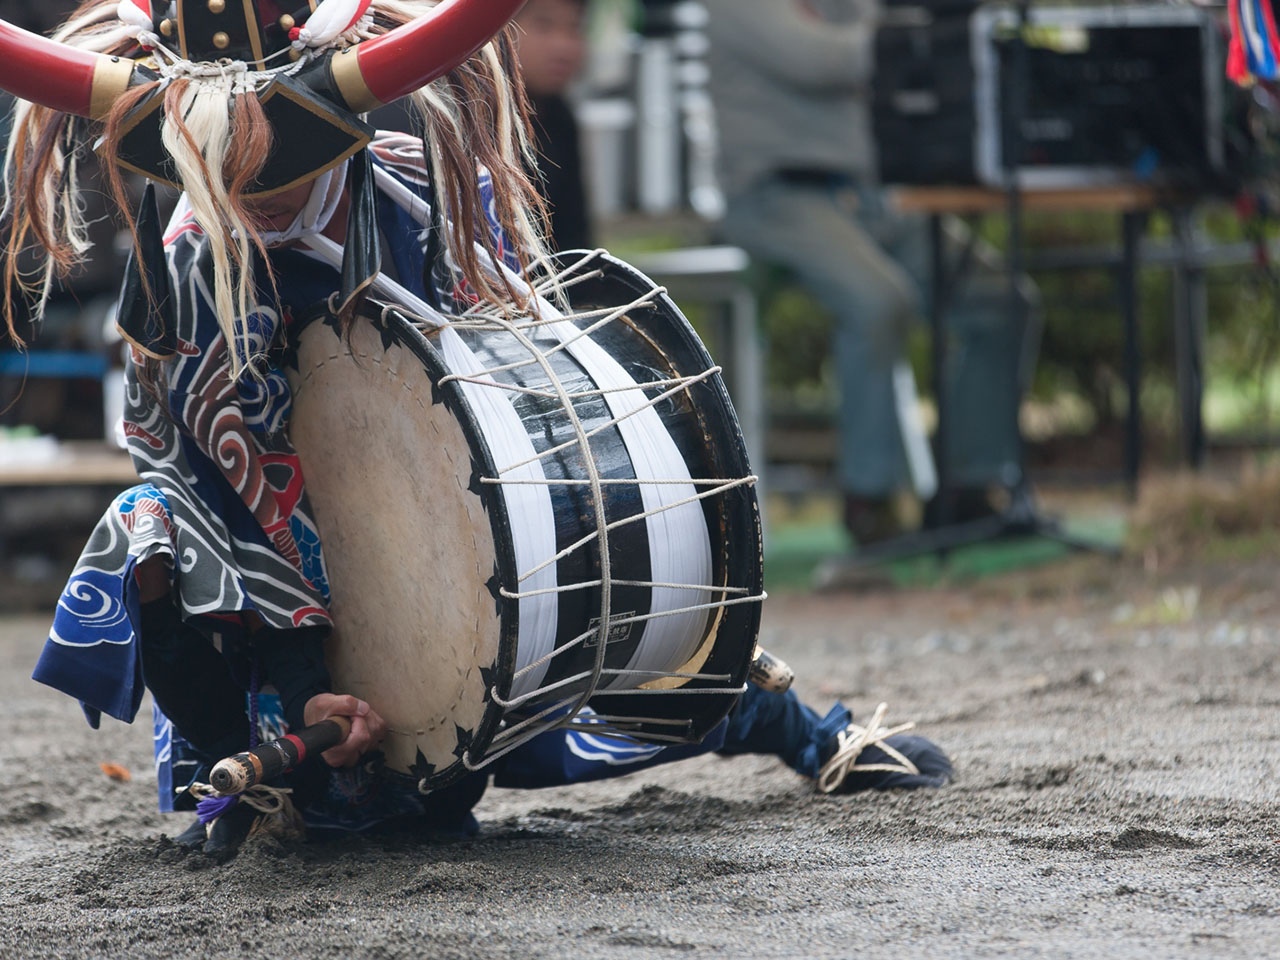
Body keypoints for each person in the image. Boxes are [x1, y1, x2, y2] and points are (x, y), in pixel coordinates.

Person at [1, 0, 949, 857]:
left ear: (338, 124)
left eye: (286, 154)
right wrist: (303, 693)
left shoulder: (430, 189)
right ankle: (239, 784)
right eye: (227, 168)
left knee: (591, 634)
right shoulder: (188, 266)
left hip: (474, 554)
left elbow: (525, 423)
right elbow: (214, 481)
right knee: (147, 533)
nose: (260, 191)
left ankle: (801, 732)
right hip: (271, 585)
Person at [704, 0, 1039, 542]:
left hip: (869, 194)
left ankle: (967, 488)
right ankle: (870, 499)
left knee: (1000, 299)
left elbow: (883, 41)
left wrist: (888, 37)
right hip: (774, 198)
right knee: (879, 301)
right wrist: (900, 39)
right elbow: (819, 58)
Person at [513, 0, 592, 251]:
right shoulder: (460, 113)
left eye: (574, 28)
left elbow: (572, 242)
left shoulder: (558, 116)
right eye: (543, 26)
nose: (563, 46)